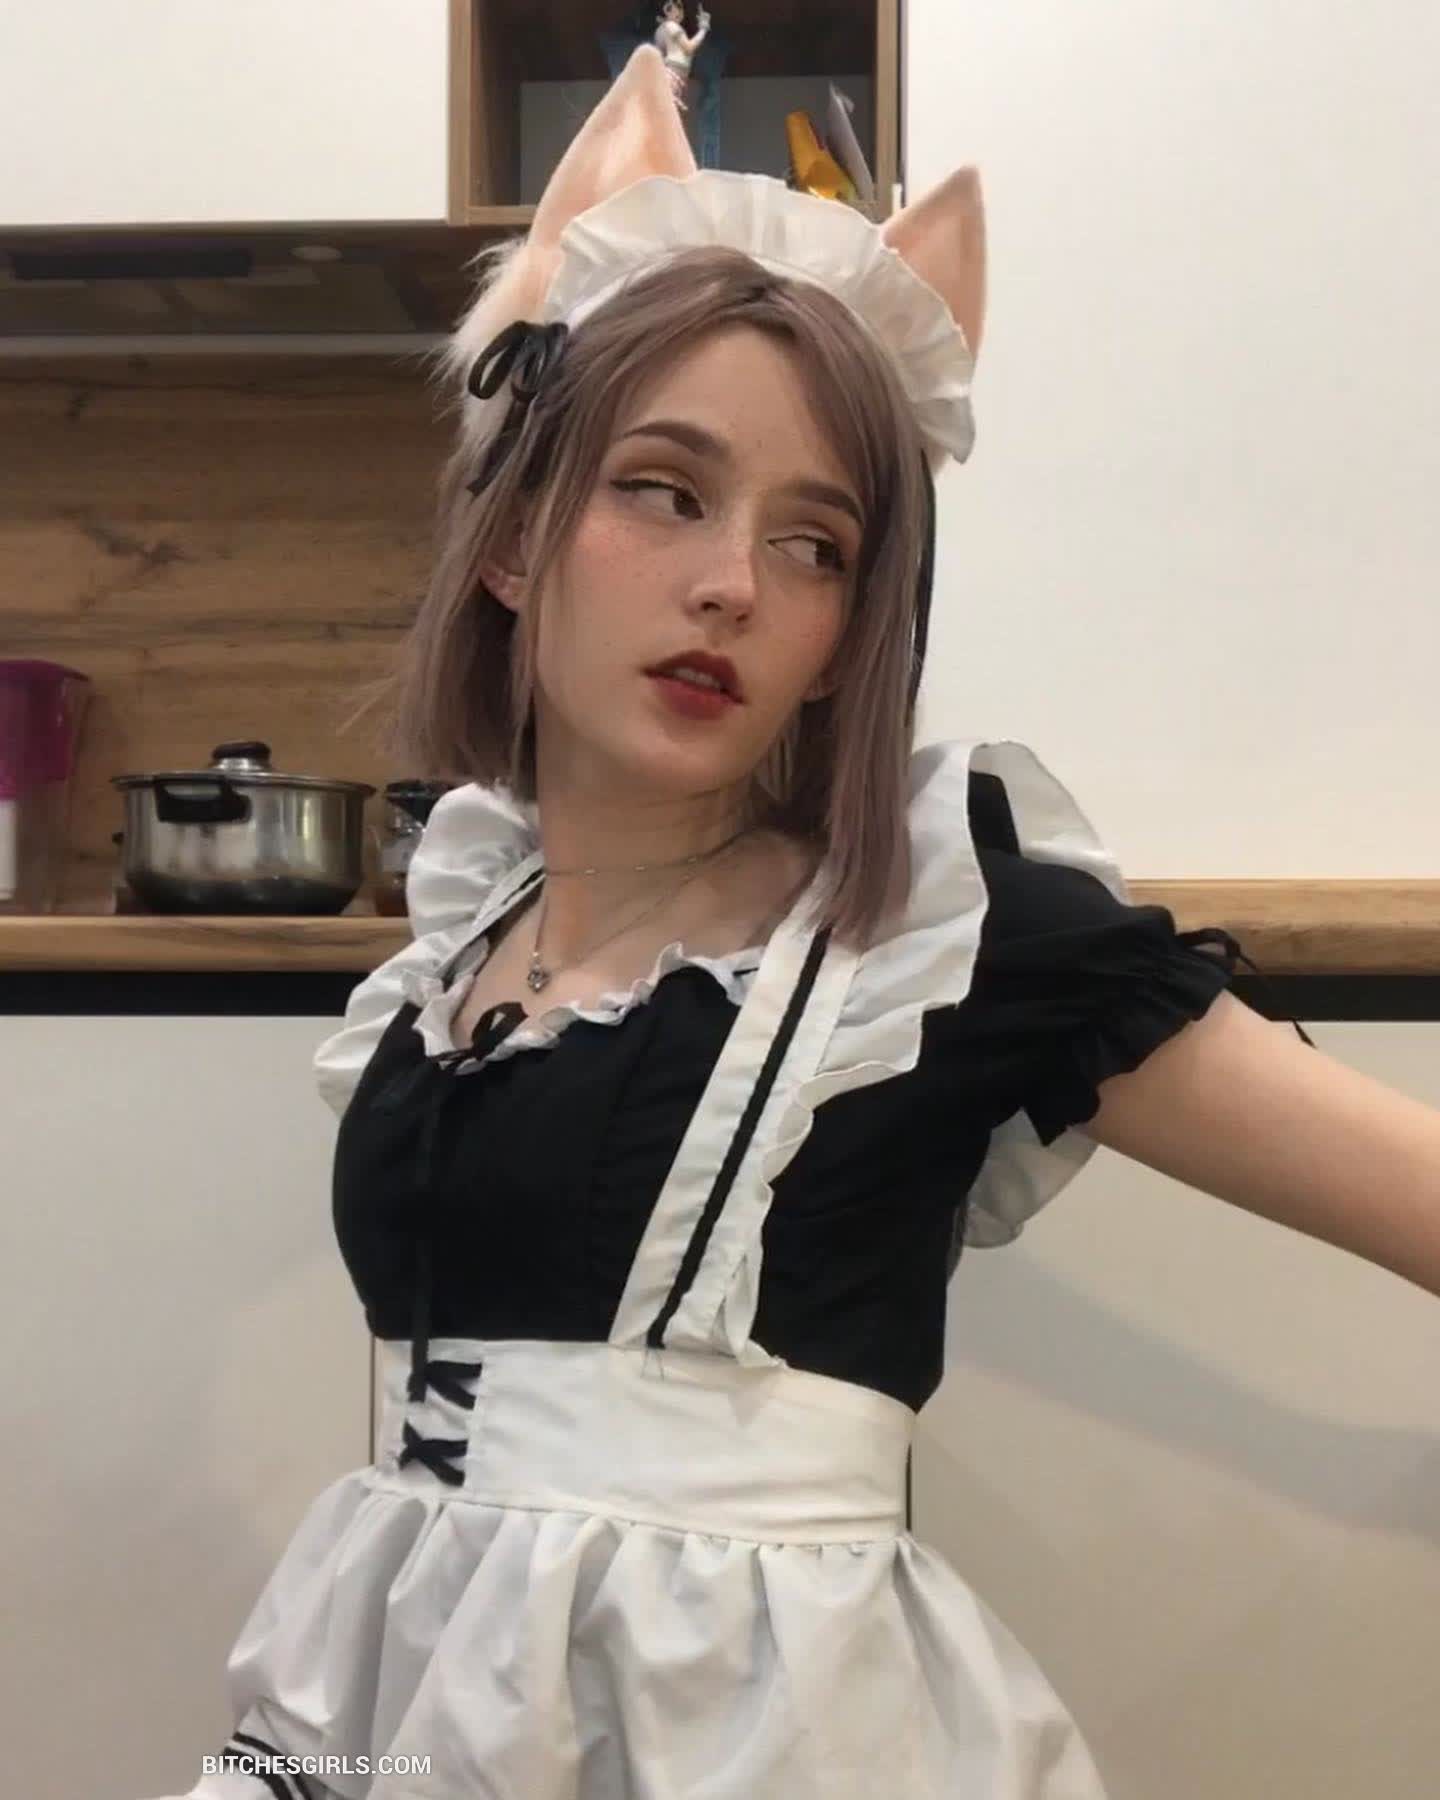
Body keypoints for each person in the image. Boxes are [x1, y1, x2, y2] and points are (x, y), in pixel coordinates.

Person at [145, 45, 1310, 1800]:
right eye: (664, 490)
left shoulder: (949, 936)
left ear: (849, 636)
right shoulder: (467, 931)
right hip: (392, 1700)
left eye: (816, 545)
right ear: (514, 541)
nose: (731, 587)